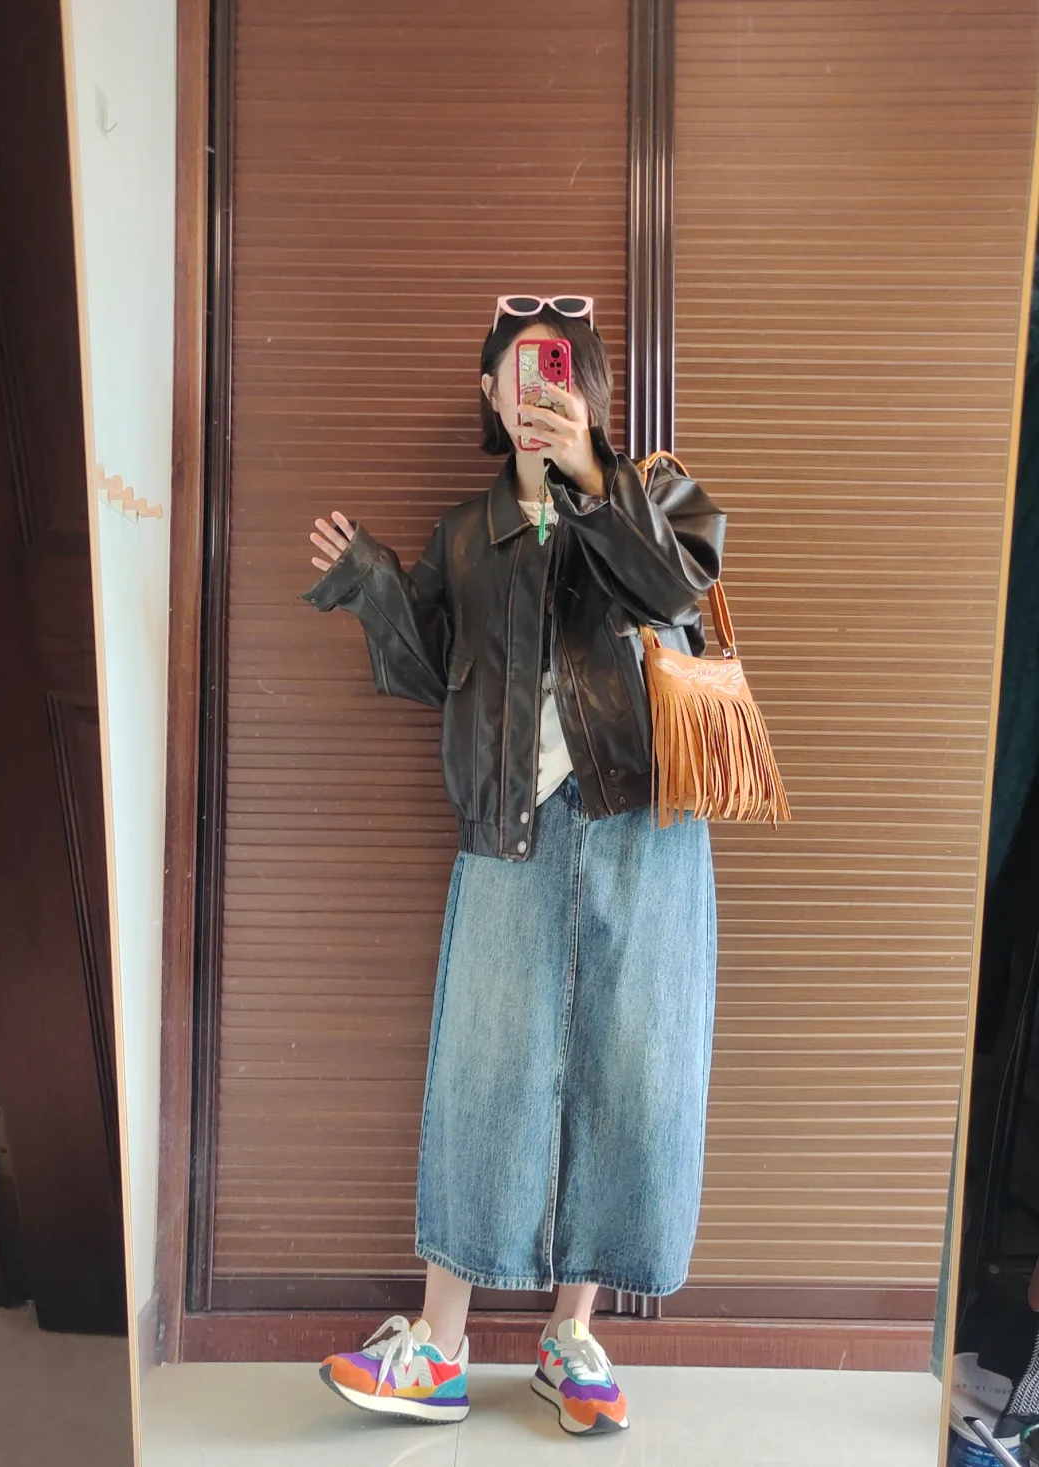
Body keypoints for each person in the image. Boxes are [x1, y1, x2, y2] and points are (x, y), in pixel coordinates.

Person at [300, 295, 726, 1436]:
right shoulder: (465, 534)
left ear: (589, 390)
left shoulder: (656, 498)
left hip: (646, 833)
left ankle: (570, 1336)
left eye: (561, 369)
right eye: (519, 370)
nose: (539, 386)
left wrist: (589, 474)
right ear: (490, 394)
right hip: (508, 828)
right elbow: (425, 669)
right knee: (484, 1071)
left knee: (627, 1077)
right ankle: (439, 1347)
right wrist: (374, 582)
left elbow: (674, 589)